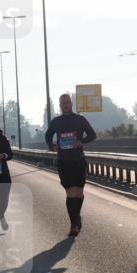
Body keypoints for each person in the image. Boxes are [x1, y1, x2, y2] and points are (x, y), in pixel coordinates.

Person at [45, 93, 97, 237]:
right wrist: (51, 145)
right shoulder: (56, 121)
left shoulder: (80, 119)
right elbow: (48, 135)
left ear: (71, 103)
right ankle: (73, 224)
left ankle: (77, 216)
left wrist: (82, 142)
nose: (65, 105)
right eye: (63, 103)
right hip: (63, 161)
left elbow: (92, 135)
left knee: (79, 193)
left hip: (79, 160)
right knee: (70, 193)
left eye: (67, 102)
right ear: (60, 105)